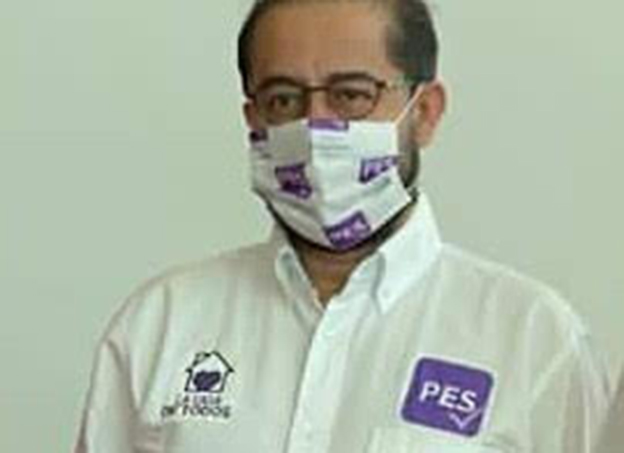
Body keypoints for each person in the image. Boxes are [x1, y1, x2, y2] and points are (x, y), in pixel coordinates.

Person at [74, 0, 613, 452]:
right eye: (283, 99)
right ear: (253, 119)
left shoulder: (534, 340)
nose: (316, 126)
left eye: (352, 95)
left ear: (425, 111)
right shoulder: (162, 324)